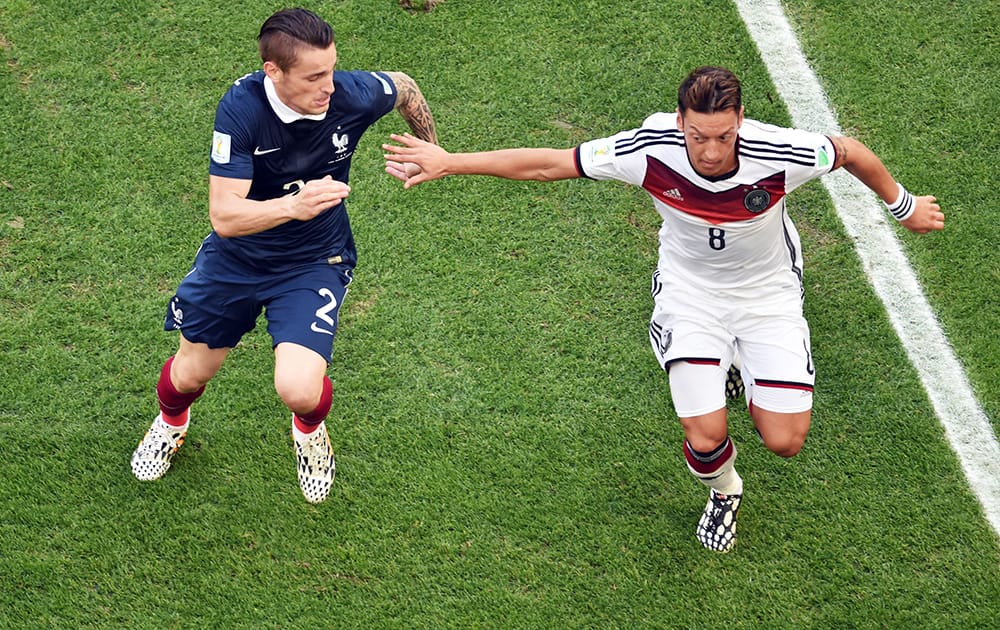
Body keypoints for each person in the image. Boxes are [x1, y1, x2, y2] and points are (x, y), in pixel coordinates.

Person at [383, 66, 944, 551]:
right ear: (680, 123)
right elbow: (551, 164)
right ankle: (725, 489)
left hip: (766, 294)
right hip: (690, 293)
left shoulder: (781, 151)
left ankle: (735, 365)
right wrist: (452, 161)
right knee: (704, 433)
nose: (711, 150)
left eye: (723, 136)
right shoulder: (649, 149)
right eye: (699, 136)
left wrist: (903, 206)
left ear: (741, 121)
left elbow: (849, 151)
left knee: (784, 440)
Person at [130, 7, 438, 504]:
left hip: (314, 259)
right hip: (238, 259)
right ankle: (171, 422)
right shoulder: (242, 109)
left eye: (332, 70)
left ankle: (310, 432)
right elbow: (225, 217)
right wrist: (293, 206)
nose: (329, 87)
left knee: (298, 386)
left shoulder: (350, 95)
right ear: (274, 71)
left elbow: (403, 85)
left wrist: (433, 152)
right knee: (189, 374)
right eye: (315, 76)